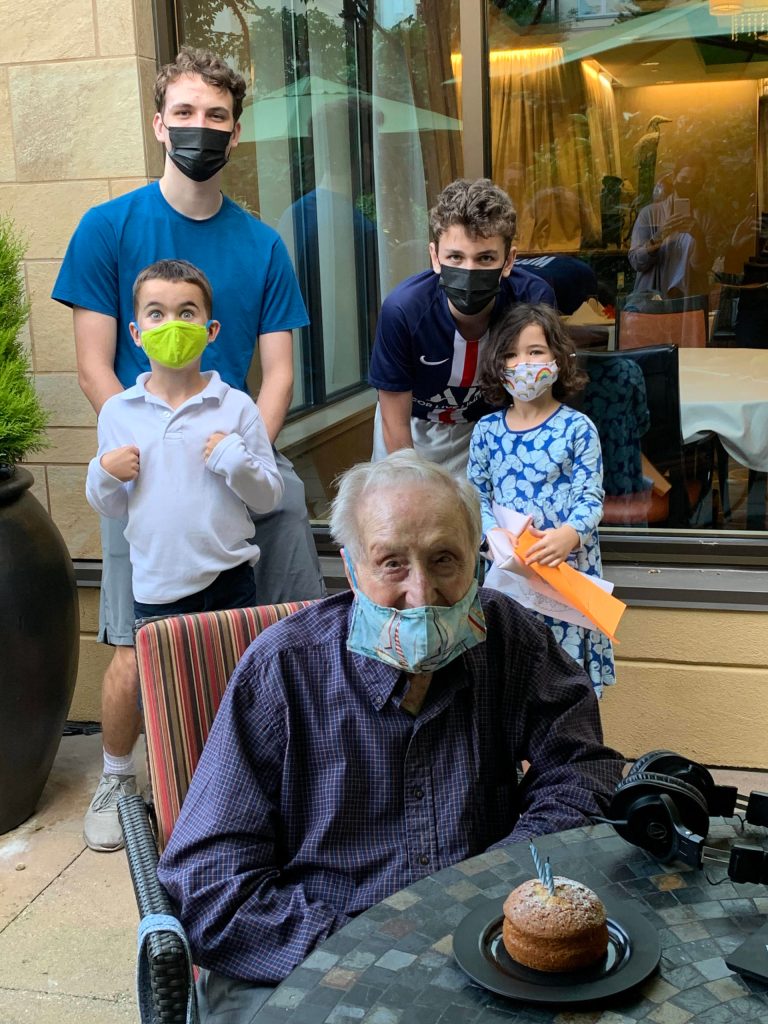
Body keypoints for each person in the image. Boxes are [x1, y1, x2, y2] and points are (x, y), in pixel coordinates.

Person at [158, 449, 625, 1018]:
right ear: (352, 569)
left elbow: (583, 770)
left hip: (480, 947)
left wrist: (492, 884)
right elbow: (209, 883)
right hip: (314, 957)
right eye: (391, 563)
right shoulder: (282, 670)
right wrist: (372, 948)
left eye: (444, 559)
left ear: (477, 564)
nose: (421, 594)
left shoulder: (510, 638)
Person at [51, 47, 325, 853]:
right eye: (185, 113)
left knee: (282, 619)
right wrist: (146, 444)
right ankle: (118, 777)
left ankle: (281, 766)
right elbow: (95, 366)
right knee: (135, 642)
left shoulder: (263, 245)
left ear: (234, 133)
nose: (199, 128)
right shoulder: (108, 228)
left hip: (231, 450)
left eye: (215, 116)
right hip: (143, 468)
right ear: (158, 122)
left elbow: (277, 372)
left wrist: (243, 453)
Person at [86, 259, 284, 619]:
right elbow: (112, 507)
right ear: (136, 333)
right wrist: (104, 472)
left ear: (211, 330)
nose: (172, 325)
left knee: (233, 660)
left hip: (231, 581)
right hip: (156, 589)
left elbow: (267, 497)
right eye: (156, 314)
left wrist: (235, 461)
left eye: (187, 313)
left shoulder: (237, 406)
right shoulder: (118, 412)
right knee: (166, 662)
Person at [467, 303, 615, 694]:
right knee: (511, 673)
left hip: (563, 571)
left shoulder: (578, 428)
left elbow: (590, 497)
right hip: (507, 574)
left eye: (535, 352)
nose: (523, 364)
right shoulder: (486, 431)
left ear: (558, 358)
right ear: (497, 363)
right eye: (510, 354)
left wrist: (570, 534)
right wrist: (491, 534)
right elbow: (475, 493)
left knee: (564, 677)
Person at [369, 178, 555, 475]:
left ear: (509, 261)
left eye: (485, 258)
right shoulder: (403, 311)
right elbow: (395, 422)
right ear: (435, 257)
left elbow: (537, 401)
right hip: (413, 428)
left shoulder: (531, 300)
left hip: (491, 429)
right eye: (455, 256)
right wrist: (410, 480)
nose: (469, 271)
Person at [628, 154, 716, 299]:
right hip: (653, 300)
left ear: (702, 183)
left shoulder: (706, 220)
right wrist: (659, 236)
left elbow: (702, 267)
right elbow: (636, 262)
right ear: (674, 178)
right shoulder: (649, 214)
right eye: (684, 179)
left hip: (689, 300)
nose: (689, 184)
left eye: (696, 181)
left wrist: (699, 237)